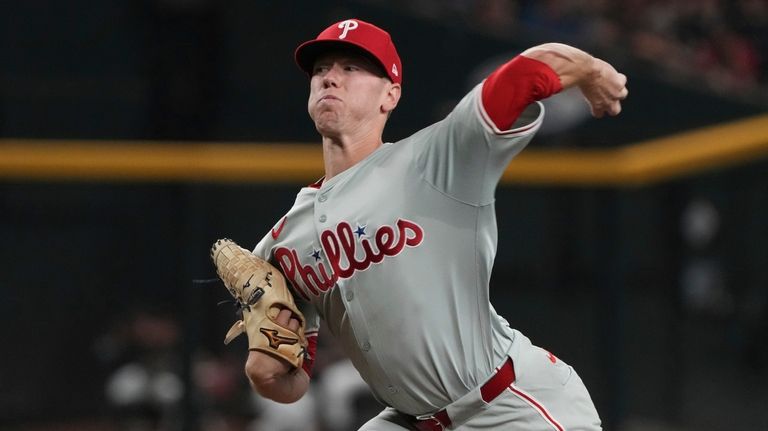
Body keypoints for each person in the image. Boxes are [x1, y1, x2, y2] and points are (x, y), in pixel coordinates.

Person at [245, 18, 627, 430]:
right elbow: (291, 385)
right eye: (321, 70)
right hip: (410, 420)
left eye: (350, 68)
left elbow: (522, 73)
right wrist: (268, 374)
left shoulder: (437, 157)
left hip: (507, 404)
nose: (330, 79)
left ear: (390, 95)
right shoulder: (281, 245)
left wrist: (590, 68)